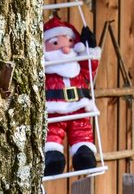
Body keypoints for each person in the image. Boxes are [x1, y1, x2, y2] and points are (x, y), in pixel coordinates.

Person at [43, 15, 101, 176]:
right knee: (51, 134)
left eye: (69, 42)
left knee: (82, 132)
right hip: (54, 110)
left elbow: (89, 71)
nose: (65, 49)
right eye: (55, 43)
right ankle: (52, 157)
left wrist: (90, 47)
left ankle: (84, 155)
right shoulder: (46, 71)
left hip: (79, 108)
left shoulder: (77, 66)